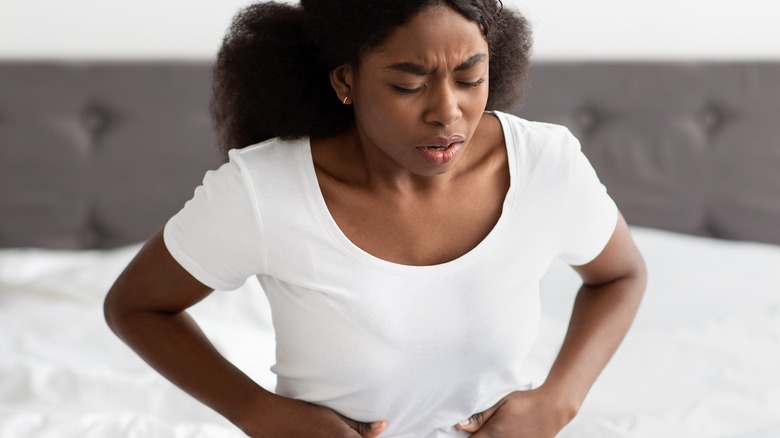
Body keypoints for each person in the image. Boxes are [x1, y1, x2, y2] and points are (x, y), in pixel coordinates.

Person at [104, 0, 647, 437]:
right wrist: (257, 412)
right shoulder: (264, 189)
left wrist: (559, 401)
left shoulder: (544, 164)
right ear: (345, 81)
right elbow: (136, 305)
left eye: (470, 77)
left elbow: (621, 275)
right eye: (408, 84)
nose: (447, 112)